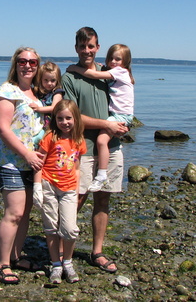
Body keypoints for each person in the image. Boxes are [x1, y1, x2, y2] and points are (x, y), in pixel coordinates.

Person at [61, 27, 129, 274]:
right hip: (83, 148)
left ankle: (97, 251)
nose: (87, 50)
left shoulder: (108, 73)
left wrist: (123, 124)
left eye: (91, 46)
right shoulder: (69, 78)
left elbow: (124, 100)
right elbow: (71, 115)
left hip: (111, 146)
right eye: (82, 46)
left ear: (98, 47)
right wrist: (106, 124)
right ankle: (61, 251)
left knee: (103, 199)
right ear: (76, 48)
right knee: (75, 200)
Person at [0, 47, 45, 284]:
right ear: (16, 64)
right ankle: (3, 264)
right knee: (13, 213)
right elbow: (2, 128)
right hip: (11, 163)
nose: (28, 65)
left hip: (32, 166)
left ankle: (16, 257)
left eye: (33, 62)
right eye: (23, 61)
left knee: (24, 215)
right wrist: (27, 153)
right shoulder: (8, 90)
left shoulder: (37, 94)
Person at [66, 44, 134, 192]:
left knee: (101, 141)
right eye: (111, 58)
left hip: (119, 117)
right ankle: (102, 175)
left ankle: (101, 175)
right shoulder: (112, 72)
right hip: (89, 144)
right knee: (78, 197)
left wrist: (75, 69)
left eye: (118, 59)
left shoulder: (121, 72)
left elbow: (94, 75)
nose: (114, 62)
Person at [33, 99, 86, 284]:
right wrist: (37, 187)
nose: (65, 122)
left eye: (68, 118)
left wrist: (77, 190)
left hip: (69, 189)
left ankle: (68, 262)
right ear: (55, 119)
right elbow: (39, 163)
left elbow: (77, 167)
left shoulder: (79, 140)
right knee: (51, 227)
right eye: (60, 118)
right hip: (48, 185)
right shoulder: (50, 138)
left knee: (70, 229)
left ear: (76, 119)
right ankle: (56, 264)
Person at [30, 61, 65, 145]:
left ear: (57, 80)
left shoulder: (57, 92)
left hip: (51, 124)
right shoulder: (38, 92)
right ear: (40, 79)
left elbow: (54, 108)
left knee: (46, 141)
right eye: (46, 80)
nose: (49, 83)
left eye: (53, 80)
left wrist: (39, 109)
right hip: (39, 124)